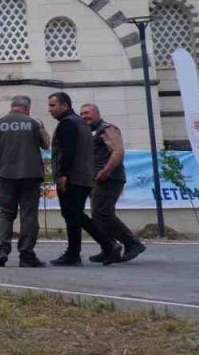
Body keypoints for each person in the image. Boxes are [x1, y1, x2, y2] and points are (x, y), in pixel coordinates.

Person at [47, 92, 114, 267]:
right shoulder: (81, 124)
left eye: (53, 105)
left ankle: (82, 251)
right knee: (75, 214)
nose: (50, 110)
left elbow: (68, 151)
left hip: (73, 177)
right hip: (83, 176)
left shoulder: (67, 124)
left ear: (65, 105)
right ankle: (105, 246)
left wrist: (63, 174)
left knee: (72, 214)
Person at [0, 95, 50, 267]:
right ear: (27, 108)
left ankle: (2, 250)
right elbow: (46, 145)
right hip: (31, 175)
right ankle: (26, 255)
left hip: (6, 175)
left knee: (6, 213)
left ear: (12, 106)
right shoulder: (35, 122)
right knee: (28, 215)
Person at [80, 103, 147, 265]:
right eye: (81, 114)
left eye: (87, 113)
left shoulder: (107, 129)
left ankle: (132, 243)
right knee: (98, 215)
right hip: (95, 179)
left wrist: (106, 171)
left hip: (109, 178)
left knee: (103, 213)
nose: (84, 116)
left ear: (97, 113)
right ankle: (109, 249)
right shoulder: (89, 132)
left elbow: (118, 151)